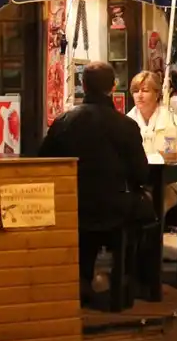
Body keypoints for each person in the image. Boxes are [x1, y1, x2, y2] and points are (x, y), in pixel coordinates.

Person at [39, 62, 155, 299]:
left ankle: (83, 277)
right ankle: (130, 278)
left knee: (88, 217)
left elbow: (44, 163)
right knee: (148, 211)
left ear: (83, 85)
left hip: (73, 206)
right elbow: (141, 174)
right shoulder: (126, 125)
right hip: (117, 208)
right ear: (113, 87)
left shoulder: (64, 122)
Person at [125, 71, 177, 213]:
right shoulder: (126, 121)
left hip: (167, 183)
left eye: (145, 91)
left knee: (154, 202)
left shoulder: (171, 121)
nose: (139, 95)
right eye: (135, 91)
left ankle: (154, 233)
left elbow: (173, 155)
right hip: (135, 183)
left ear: (157, 94)